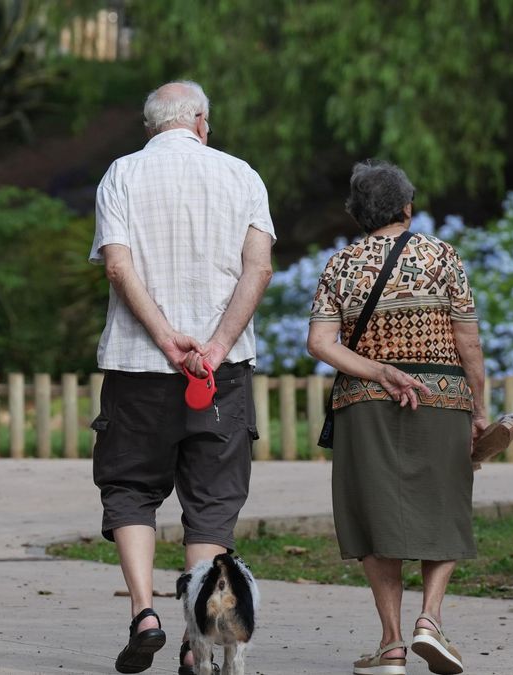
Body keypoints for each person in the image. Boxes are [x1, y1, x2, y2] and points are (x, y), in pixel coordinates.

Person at [88, 80, 275, 675]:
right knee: (212, 504)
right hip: (220, 374)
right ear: (201, 122)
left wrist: (168, 340)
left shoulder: (120, 174)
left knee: (130, 488)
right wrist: (216, 346)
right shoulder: (243, 176)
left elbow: (117, 266)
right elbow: (260, 268)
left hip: (138, 367)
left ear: (152, 127)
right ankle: (200, 644)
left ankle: (145, 612)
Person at [306, 160, 488, 675]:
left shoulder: (341, 264)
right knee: (445, 503)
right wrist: (478, 407)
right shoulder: (443, 257)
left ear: (359, 213)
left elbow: (320, 344)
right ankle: (429, 621)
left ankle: (390, 645)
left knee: (374, 514)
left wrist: (377, 370)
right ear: (408, 207)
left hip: (363, 403)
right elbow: (467, 340)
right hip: (441, 396)